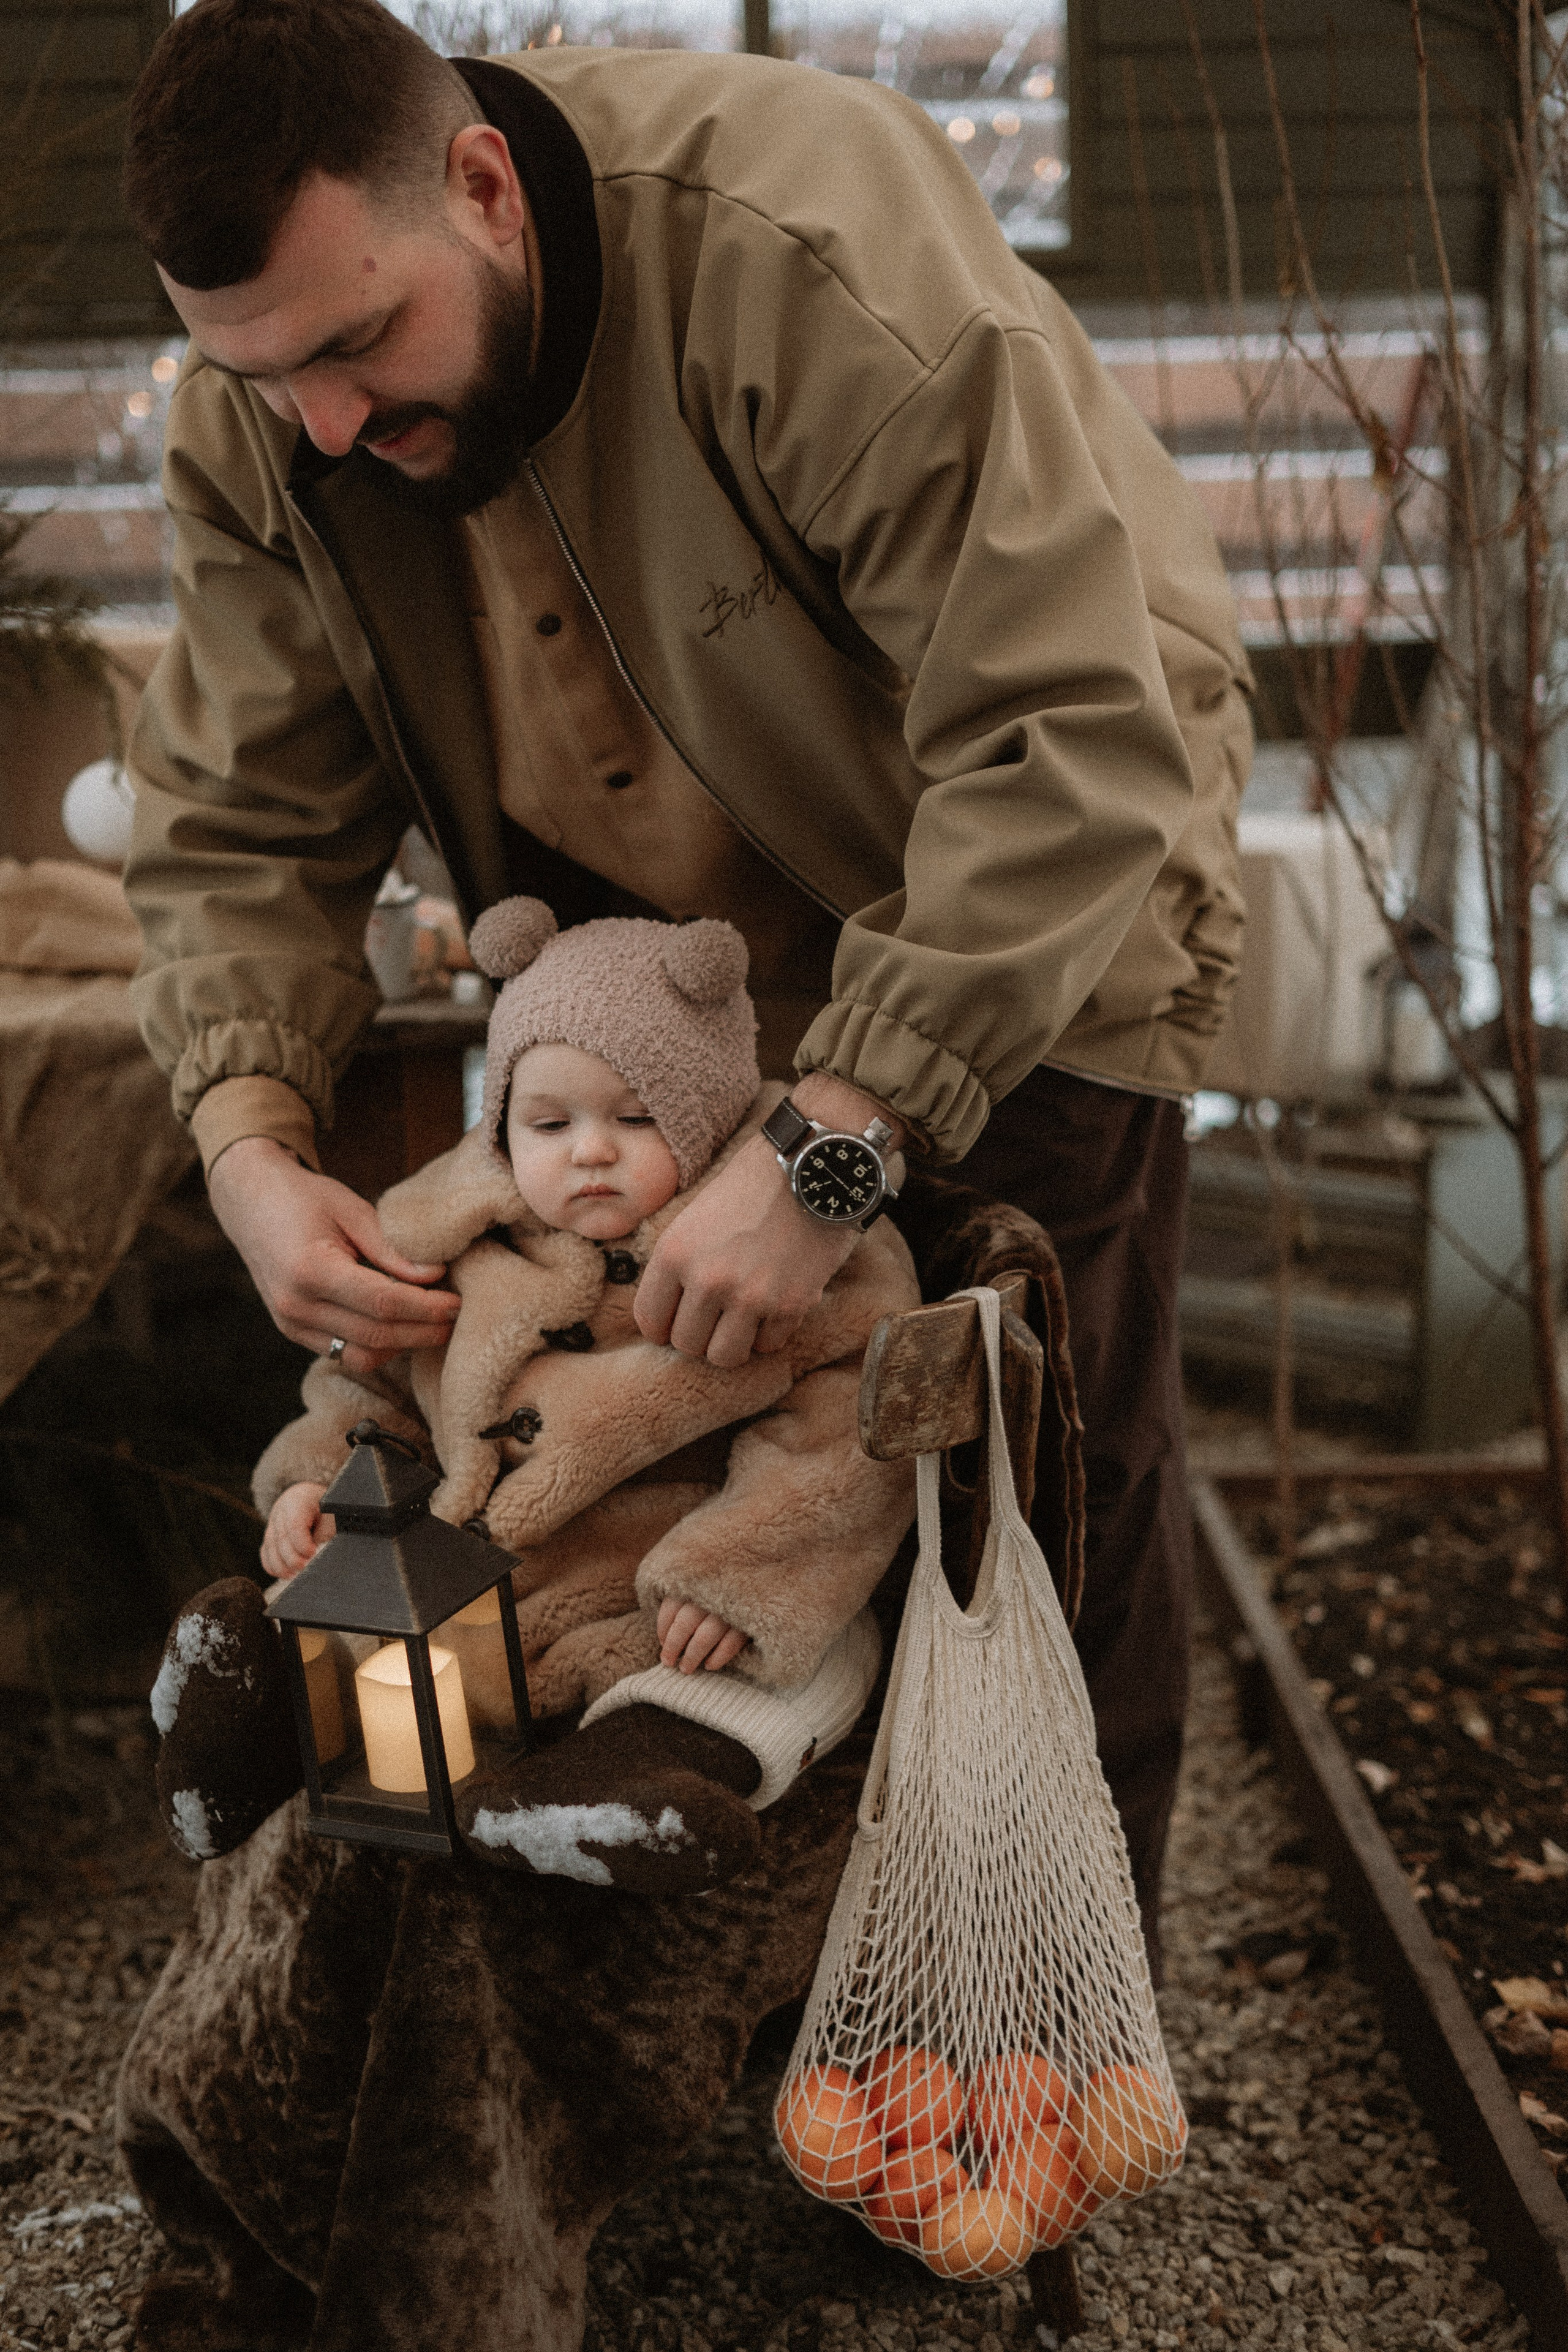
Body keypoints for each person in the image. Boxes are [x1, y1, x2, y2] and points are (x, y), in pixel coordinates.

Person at [120, 0, 1252, 1970]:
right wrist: (246, 1137)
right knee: (620, 1456)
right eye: (254, 372)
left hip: (1036, 887)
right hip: (653, 976)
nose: (315, 428)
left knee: (1021, 1485)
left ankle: (1014, 2046)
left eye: (353, 346)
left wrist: (832, 1147)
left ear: (481, 184)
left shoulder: (806, 247)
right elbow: (234, 818)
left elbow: (1073, 737)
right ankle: (689, 1949)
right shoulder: (270, 400)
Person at [149, 902, 918, 1891]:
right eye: (549, 1123)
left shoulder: (796, 1258)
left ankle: (615, 1795)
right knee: (352, 1648)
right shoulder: (452, 1231)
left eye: (637, 1120)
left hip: (652, 1589)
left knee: (742, 1681)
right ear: (502, 1120)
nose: (589, 1151)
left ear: (719, 1120)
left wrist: (736, 1578)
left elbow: (838, 1440)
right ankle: (248, 1733)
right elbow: (366, 1375)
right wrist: (322, 1483)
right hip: (456, 1591)